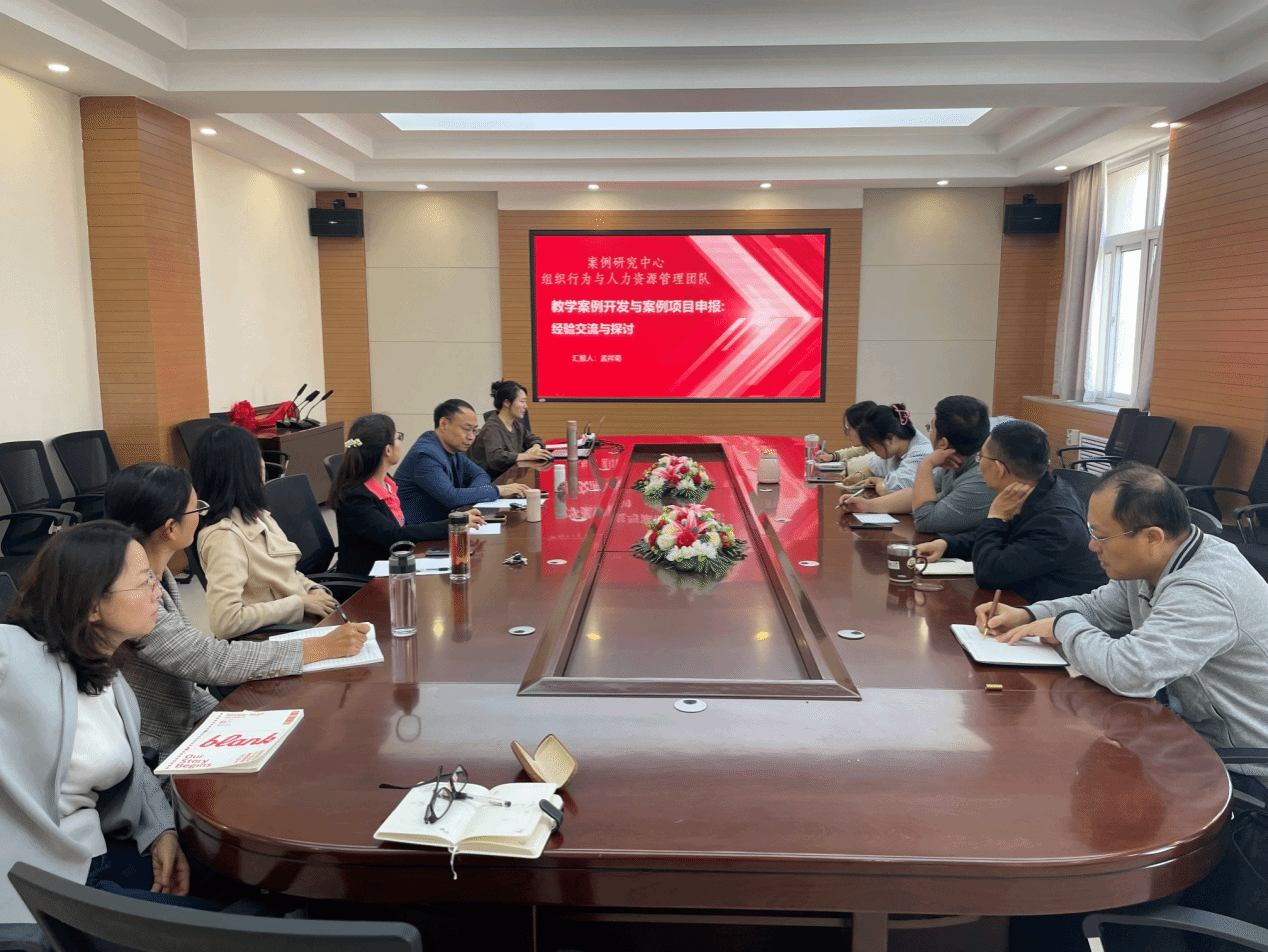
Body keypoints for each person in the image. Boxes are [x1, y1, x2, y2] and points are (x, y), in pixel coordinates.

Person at [979, 462, 1268, 802]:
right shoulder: (1156, 561)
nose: (1092, 545)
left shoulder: (1204, 588)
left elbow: (1131, 673)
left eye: (1101, 536)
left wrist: (1062, 625)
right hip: (1190, 732)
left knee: (1065, 780)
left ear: (1151, 537)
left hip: (1244, 767)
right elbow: (1099, 608)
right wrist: (1027, 614)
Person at [0, 521, 222, 927]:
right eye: (143, 582)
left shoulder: (110, 678)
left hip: (98, 853)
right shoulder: (15, 656)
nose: (157, 592)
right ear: (92, 605)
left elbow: (135, 768)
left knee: (244, 882)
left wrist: (161, 831)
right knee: (237, 931)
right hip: (48, 886)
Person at [105, 463, 369, 761]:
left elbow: (187, 675)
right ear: (170, 528)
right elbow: (207, 659)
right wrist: (317, 647)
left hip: (187, 720)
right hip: (160, 748)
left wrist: (225, 716)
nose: (202, 514)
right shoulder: (131, 594)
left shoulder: (156, 574)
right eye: (196, 509)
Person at [915, 420, 1106, 601]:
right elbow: (1005, 538)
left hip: (1057, 615)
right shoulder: (1039, 488)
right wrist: (947, 544)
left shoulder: (1054, 521)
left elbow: (988, 574)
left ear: (999, 468)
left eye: (981, 457)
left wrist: (996, 517)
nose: (979, 463)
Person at [191, 424, 340, 639]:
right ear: (243, 470)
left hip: (302, 625)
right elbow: (225, 621)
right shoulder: (224, 537)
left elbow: (285, 572)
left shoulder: (258, 516)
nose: (262, 464)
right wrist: (299, 604)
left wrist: (313, 589)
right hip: (279, 640)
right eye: (257, 457)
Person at [328, 413, 485, 576]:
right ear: (388, 450)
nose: (400, 442)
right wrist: (453, 524)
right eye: (397, 437)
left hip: (395, 563)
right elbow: (393, 536)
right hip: (368, 579)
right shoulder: (356, 496)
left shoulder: (386, 482)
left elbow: (400, 529)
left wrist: (454, 521)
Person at [839, 394, 995, 533]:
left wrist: (926, 464)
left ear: (943, 444)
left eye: (930, 428)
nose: (928, 434)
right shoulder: (952, 463)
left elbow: (925, 520)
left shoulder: (980, 479)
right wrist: (867, 505)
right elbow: (915, 495)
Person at [396, 399, 531, 525]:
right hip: (419, 534)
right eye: (466, 429)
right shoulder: (425, 455)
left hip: (444, 525)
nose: (471, 437)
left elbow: (480, 475)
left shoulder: (452, 450)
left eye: (474, 430)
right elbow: (451, 498)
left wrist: (475, 492)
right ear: (444, 424)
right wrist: (497, 490)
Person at [469, 380, 552, 478]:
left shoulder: (516, 425)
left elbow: (534, 439)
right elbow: (496, 458)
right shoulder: (492, 427)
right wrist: (527, 456)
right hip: (490, 481)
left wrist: (535, 448)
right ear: (507, 403)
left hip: (508, 478)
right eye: (522, 401)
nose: (526, 406)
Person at [847, 403, 932, 495]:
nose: (873, 451)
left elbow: (889, 490)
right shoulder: (896, 446)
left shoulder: (921, 453)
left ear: (890, 439)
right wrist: (861, 475)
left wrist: (877, 481)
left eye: (873, 447)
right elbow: (875, 467)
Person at [816, 400, 879, 483]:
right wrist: (832, 457)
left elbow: (853, 467)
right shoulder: (871, 445)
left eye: (848, 428)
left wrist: (847, 467)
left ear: (863, 428)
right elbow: (854, 451)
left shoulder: (880, 451)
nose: (847, 433)